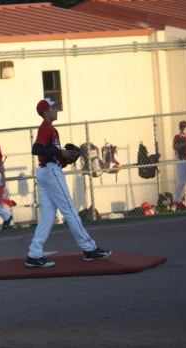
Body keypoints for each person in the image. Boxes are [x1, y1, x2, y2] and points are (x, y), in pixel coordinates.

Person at [26, 98, 111, 267]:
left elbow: (51, 155)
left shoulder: (51, 130)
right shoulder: (46, 128)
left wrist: (64, 157)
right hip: (50, 172)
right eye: (53, 108)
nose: (56, 109)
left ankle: (34, 254)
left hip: (47, 171)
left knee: (48, 217)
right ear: (45, 113)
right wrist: (60, 152)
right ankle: (89, 248)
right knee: (70, 210)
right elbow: (36, 149)